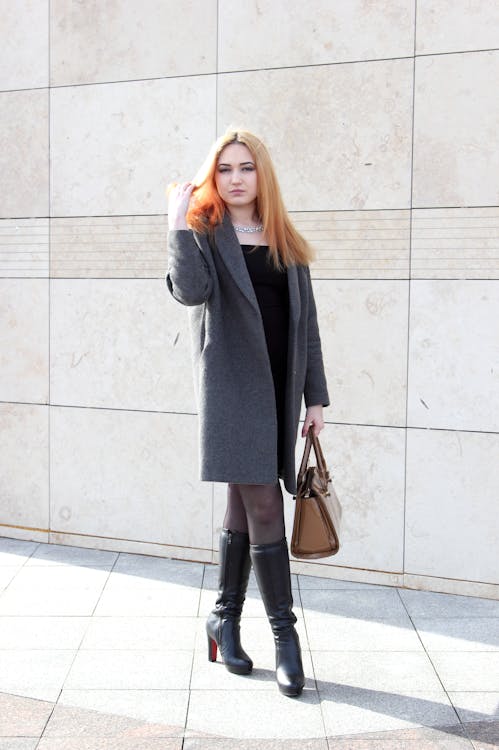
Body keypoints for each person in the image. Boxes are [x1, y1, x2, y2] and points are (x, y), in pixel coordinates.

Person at [165, 128, 329, 697]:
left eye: (246, 168)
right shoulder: (205, 233)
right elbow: (188, 293)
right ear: (214, 176)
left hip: (280, 391)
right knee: (263, 500)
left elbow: (306, 326)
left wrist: (316, 397)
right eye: (226, 168)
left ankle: (224, 620)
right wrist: (178, 225)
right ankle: (287, 638)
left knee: (242, 501)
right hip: (233, 390)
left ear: (262, 175)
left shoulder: (285, 237)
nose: (236, 178)